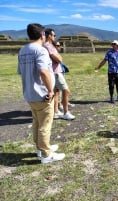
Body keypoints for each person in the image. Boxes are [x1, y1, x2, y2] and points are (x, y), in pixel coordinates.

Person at [17, 23, 65, 164]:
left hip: (29, 93)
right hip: (42, 94)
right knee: (45, 125)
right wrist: (50, 90)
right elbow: (43, 71)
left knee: (37, 122)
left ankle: (41, 148)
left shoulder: (23, 50)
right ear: (42, 35)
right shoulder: (41, 50)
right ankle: (46, 155)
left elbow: (21, 72)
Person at [44, 28, 75, 120]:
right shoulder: (48, 46)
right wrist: (59, 56)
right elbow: (59, 59)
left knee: (56, 92)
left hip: (52, 71)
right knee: (66, 90)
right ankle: (66, 112)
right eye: (54, 35)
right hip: (55, 72)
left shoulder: (46, 46)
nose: (54, 37)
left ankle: (56, 111)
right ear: (49, 35)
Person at [53, 41, 75, 111]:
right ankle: (62, 106)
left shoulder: (55, 53)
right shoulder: (52, 53)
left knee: (57, 91)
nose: (60, 47)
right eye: (58, 45)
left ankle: (59, 106)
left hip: (60, 72)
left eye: (60, 45)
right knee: (65, 90)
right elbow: (59, 60)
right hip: (56, 73)